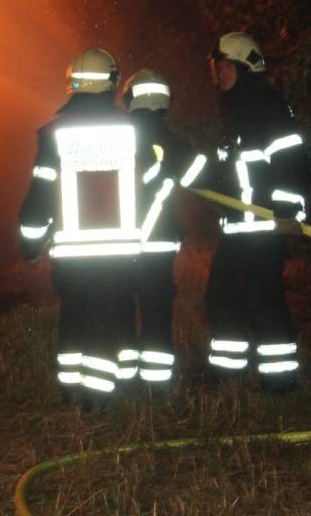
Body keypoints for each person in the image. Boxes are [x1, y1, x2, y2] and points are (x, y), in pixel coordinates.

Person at [19, 47, 140, 409]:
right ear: (112, 83)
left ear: (72, 84)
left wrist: (31, 244)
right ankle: (98, 403)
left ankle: (71, 393)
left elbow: (39, 195)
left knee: (74, 316)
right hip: (119, 251)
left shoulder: (54, 133)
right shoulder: (133, 129)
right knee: (107, 321)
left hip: (72, 255)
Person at [190, 31, 307, 392]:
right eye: (217, 67)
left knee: (264, 300)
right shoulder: (237, 110)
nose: (218, 74)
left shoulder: (265, 106)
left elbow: (290, 157)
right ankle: (228, 373)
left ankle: (281, 382)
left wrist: (287, 211)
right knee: (222, 297)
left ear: (242, 68)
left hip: (266, 226)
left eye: (224, 67)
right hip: (240, 228)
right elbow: (233, 173)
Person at [121, 68, 194, 389]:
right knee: (156, 314)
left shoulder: (114, 139)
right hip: (158, 244)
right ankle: (156, 387)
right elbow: (199, 177)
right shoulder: (172, 143)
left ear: (129, 99)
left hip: (119, 244)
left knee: (120, 310)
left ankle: (122, 382)